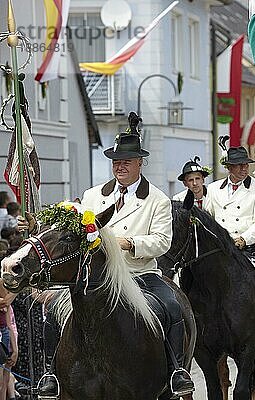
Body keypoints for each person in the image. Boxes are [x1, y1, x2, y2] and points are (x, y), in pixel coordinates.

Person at [37, 112, 195, 399]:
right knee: (52, 311)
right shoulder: (92, 196)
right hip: (96, 278)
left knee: (172, 306)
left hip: (139, 274)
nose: (120, 166)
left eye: (126, 161)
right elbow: (75, 233)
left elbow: (162, 241)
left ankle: (176, 371)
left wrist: (127, 243)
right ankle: (51, 373)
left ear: (139, 163)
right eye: (116, 161)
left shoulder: (158, 200)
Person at [204, 143, 255, 252]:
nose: (244, 168)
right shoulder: (213, 188)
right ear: (229, 168)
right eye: (240, 165)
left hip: (247, 247)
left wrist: (244, 239)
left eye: (246, 165)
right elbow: (208, 219)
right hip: (219, 247)